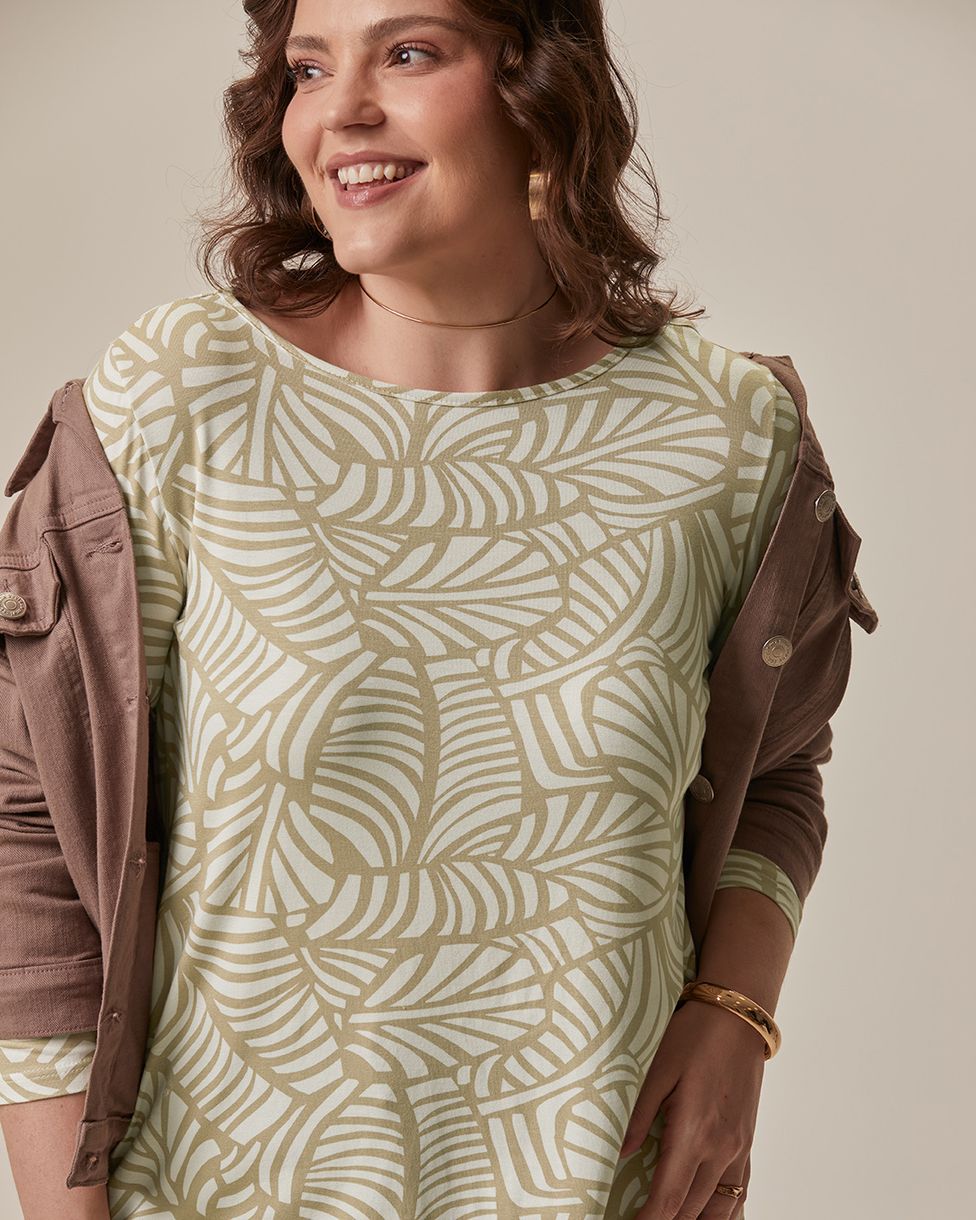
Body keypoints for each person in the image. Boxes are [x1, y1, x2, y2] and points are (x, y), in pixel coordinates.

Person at [0, 2, 870, 1217]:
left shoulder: (725, 436)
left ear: (540, 85)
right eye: (309, 69)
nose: (341, 111)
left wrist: (735, 1015)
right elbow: (31, 824)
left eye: (407, 53)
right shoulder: (183, 399)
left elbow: (777, 770)